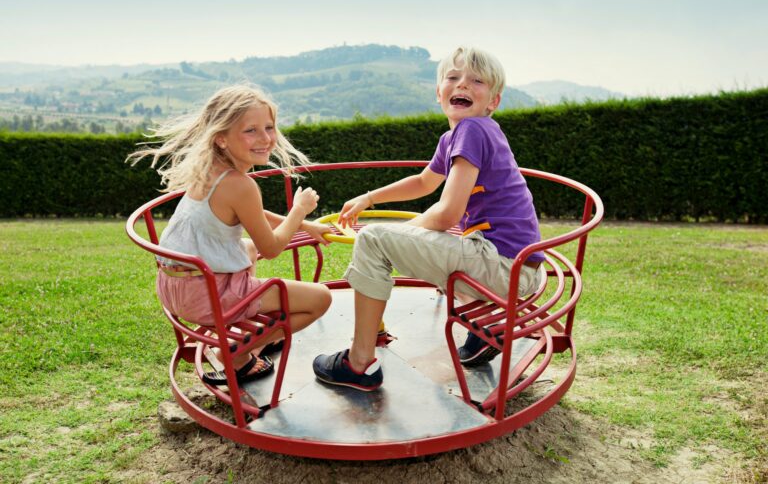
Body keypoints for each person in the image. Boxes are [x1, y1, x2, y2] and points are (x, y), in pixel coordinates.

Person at [312, 47, 545, 391]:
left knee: (374, 239)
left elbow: (448, 212)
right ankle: (486, 333)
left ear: (493, 100)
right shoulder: (459, 135)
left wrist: (394, 234)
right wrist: (371, 198)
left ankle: (358, 364)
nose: (462, 84)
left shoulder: (474, 130)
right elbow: (424, 182)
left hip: (502, 269)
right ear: (439, 93)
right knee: (393, 238)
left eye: (476, 80)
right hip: (516, 266)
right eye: (453, 77)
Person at [128, 84, 332, 386]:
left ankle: (246, 337)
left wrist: (304, 226)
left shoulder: (211, 169)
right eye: (251, 131)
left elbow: (251, 216)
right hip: (207, 296)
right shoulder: (240, 184)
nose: (265, 139)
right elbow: (273, 247)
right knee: (321, 299)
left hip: (177, 286)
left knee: (247, 248)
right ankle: (238, 353)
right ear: (221, 138)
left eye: (269, 127)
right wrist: (299, 211)